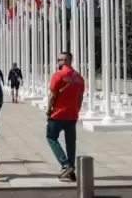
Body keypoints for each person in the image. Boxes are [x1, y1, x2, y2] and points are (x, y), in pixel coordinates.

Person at [46, 52, 85, 182]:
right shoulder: (79, 78)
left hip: (58, 113)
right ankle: (71, 167)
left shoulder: (58, 75)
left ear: (66, 60)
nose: (58, 62)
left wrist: (48, 110)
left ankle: (65, 164)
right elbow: (80, 97)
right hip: (72, 114)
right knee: (70, 142)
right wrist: (77, 110)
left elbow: (52, 95)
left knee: (51, 137)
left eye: (60, 60)